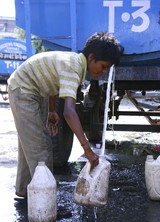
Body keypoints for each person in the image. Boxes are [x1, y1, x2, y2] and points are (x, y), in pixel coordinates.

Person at [8, 31, 123, 199]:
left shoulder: (75, 62)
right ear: (91, 58)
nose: (103, 71)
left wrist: (52, 110)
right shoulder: (74, 68)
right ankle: (46, 201)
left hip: (31, 90)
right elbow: (69, 112)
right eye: (103, 66)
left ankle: (24, 190)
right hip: (23, 91)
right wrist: (87, 149)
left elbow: (53, 83)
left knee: (30, 144)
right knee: (41, 148)